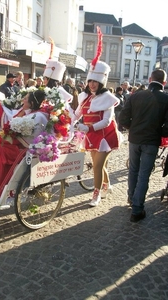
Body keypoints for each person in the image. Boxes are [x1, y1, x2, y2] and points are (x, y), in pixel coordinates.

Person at [73, 26, 121, 207]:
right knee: (97, 164)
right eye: (90, 81)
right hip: (91, 134)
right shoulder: (85, 97)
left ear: (101, 82)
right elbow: (77, 113)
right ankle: (107, 184)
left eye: (95, 81)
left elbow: (107, 121)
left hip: (105, 136)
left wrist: (89, 127)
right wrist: (67, 119)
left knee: (98, 166)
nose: (92, 84)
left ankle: (96, 195)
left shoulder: (108, 98)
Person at [0, 90, 49, 198]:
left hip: (23, 150)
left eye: (25, 99)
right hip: (14, 146)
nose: (23, 100)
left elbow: (26, 139)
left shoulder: (37, 116)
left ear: (32, 104)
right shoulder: (26, 112)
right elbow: (8, 122)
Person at [119, 69, 168, 222]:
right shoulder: (166, 98)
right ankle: (137, 208)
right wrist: (161, 134)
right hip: (151, 140)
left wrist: (132, 128)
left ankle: (131, 198)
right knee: (143, 174)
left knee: (133, 170)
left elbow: (123, 118)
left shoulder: (136, 95)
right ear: (164, 82)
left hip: (135, 139)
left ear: (149, 79)